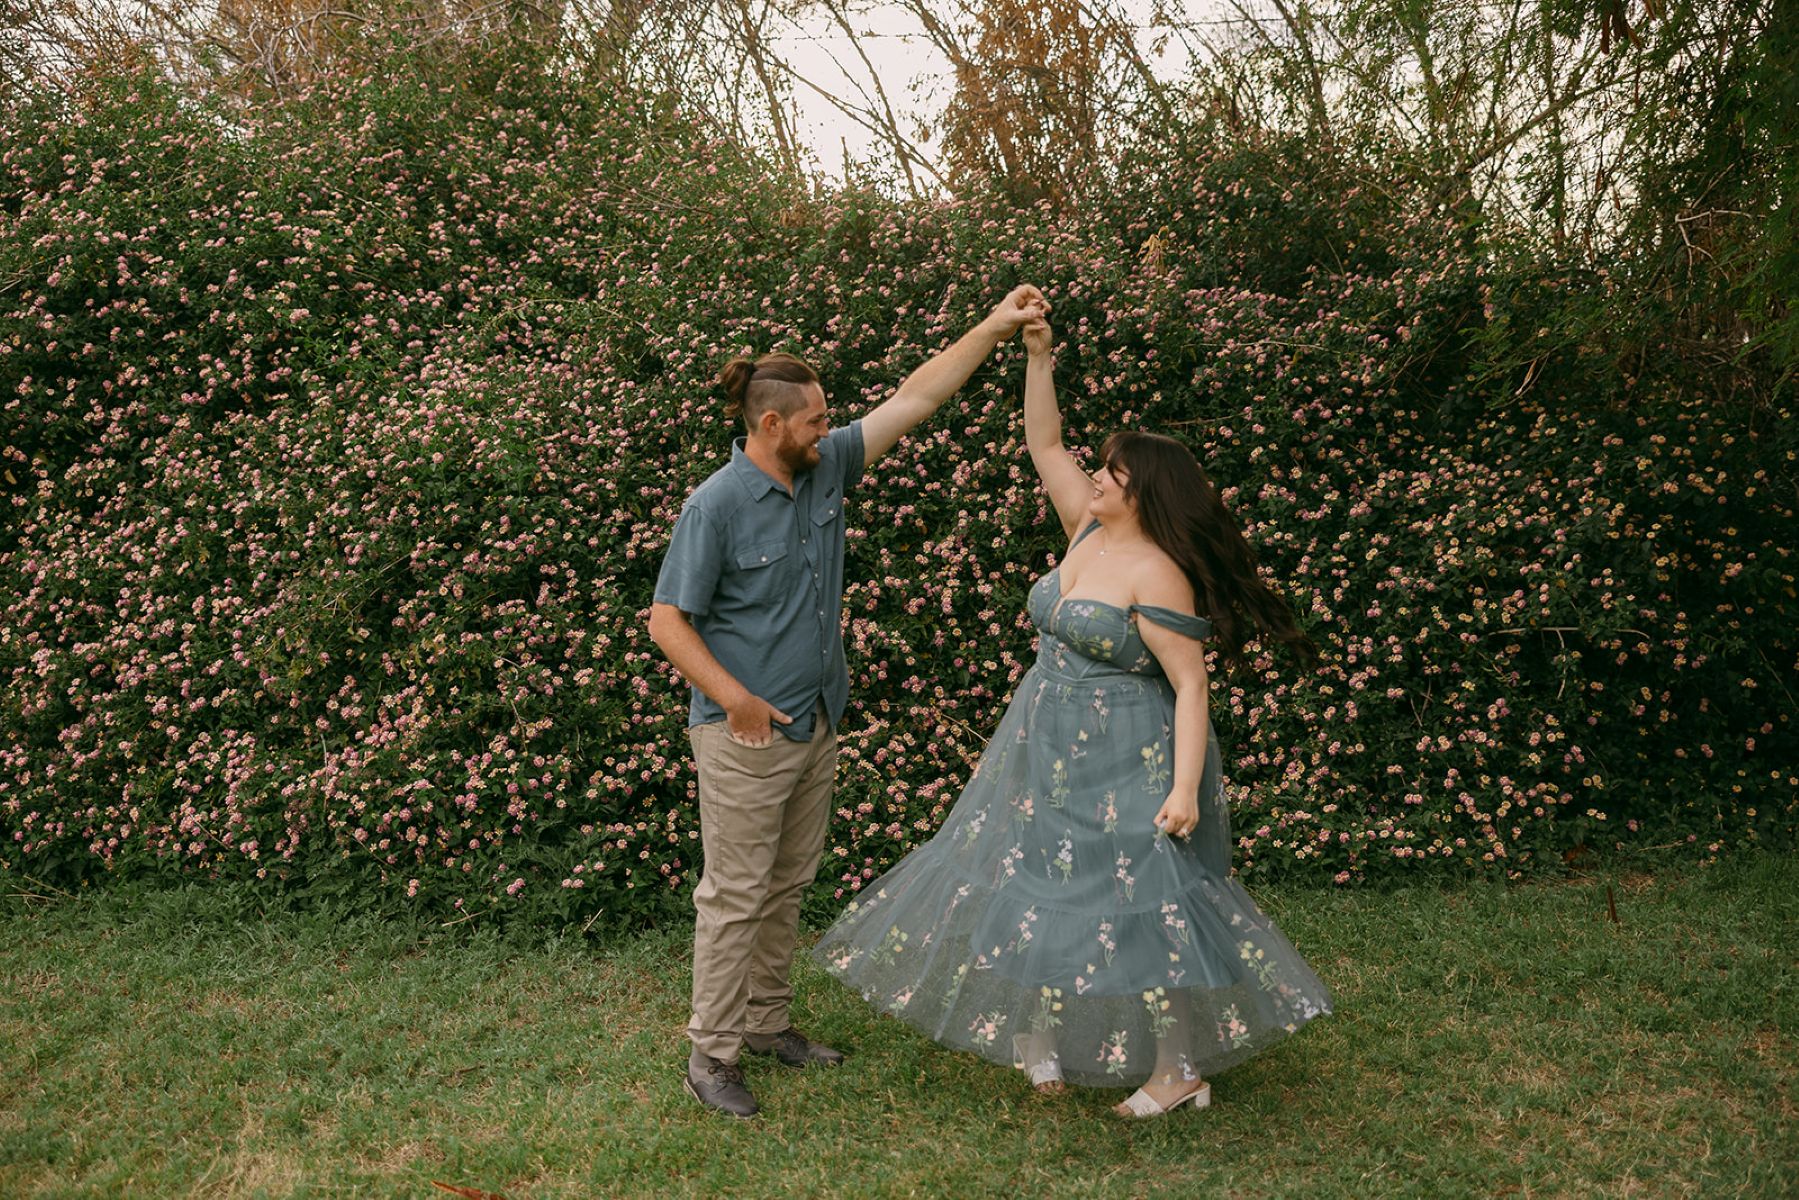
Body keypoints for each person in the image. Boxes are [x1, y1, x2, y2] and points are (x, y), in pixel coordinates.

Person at [812, 307, 1333, 1117]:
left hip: (1132, 753)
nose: (1095, 474)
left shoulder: (1158, 574)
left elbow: (1189, 686)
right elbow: (1044, 445)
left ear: (1142, 490)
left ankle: (1176, 1068)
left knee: (1142, 907)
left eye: (1111, 470)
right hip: (1045, 738)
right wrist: (1037, 357)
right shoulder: (1086, 528)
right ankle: (1038, 1037)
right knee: (1036, 881)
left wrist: (1185, 790)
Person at [648, 285, 1049, 1119]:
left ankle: (766, 1025)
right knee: (734, 895)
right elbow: (666, 622)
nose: (827, 427)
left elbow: (918, 394)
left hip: (817, 717)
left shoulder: (823, 466)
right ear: (769, 427)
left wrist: (995, 323)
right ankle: (711, 1055)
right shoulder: (714, 506)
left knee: (786, 884)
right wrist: (738, 702)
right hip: (743, 734)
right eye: (814, 419)